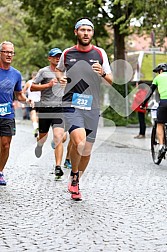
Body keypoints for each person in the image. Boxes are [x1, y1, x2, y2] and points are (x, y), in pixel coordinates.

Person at [56, 18, 112, 200]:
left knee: (86, 150)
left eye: (89, 30)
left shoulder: (100, 53)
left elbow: (111, 80)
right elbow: (59, 70)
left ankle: (76, 180)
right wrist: (60, 78)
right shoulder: (67, 53)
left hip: (92, 106)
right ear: (76, 32)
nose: (86, 33)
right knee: (78, 141)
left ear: (92, 33)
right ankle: (73, 173)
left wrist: (102, 73)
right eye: (82, 30)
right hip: (71, 103)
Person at [0, 41, 32, 185]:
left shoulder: (16, 74)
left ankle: (0, 172)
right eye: (6, 52)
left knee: (6, 145)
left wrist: (27, 100)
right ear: (1, 53)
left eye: (11, 52)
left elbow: (19, 94)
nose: (9, 55)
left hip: (7, 114)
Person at [30, 48, 65, 179]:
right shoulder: (43, 72)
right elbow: (32, 87)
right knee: (43, 137)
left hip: (59, 109)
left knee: (58, 137)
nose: (57, 58)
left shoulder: (65, 71)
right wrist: (48, 85)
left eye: (59, 56)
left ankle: (58, 167)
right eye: (55, 56)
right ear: (49, 58)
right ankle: (39, 145)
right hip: (45, 109)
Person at [141, 63, 167, 159]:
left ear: (160, 71)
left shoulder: (158, 78)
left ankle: (161, 146)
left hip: (164, 103)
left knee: (160, 123)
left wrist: (143, 104)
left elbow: (150, 92)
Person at [23, 71, 41, 137]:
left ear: (32, 76)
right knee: (37, 115)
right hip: (40, 101)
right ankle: (37, 126)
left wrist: (25, 100)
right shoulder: (40, 83)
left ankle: (35, 126)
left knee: (33, 114)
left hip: (31, 101)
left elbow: (23, 92)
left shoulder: (29, 82)